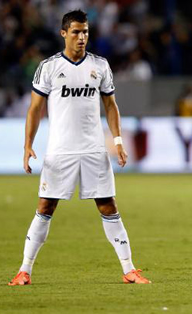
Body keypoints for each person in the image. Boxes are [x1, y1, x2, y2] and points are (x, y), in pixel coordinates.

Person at [8, 10, 151, 286]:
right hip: (60, 150)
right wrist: (27, 145)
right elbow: (35, 109)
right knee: (45, 206)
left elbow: (110, 105)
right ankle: (24, 270)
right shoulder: (48, 67)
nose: (82, 37)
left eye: (85, 31)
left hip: (94, 150)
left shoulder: (100, 65)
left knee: (108, 206)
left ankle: (129, 269)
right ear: (63, 33)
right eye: (76, 31)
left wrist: (118, 141)